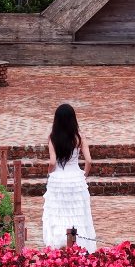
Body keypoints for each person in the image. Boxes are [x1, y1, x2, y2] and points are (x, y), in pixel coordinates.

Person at [41, 103, 97, 251]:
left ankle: (59, 247)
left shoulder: (53, 138)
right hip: (75, 179)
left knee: (58, 213)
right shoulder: (79, 137)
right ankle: (79, 246)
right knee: (77, 214)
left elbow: (53, 162)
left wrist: (49, 172)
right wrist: (84, 175)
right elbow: (89, 161)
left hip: (58, 179)